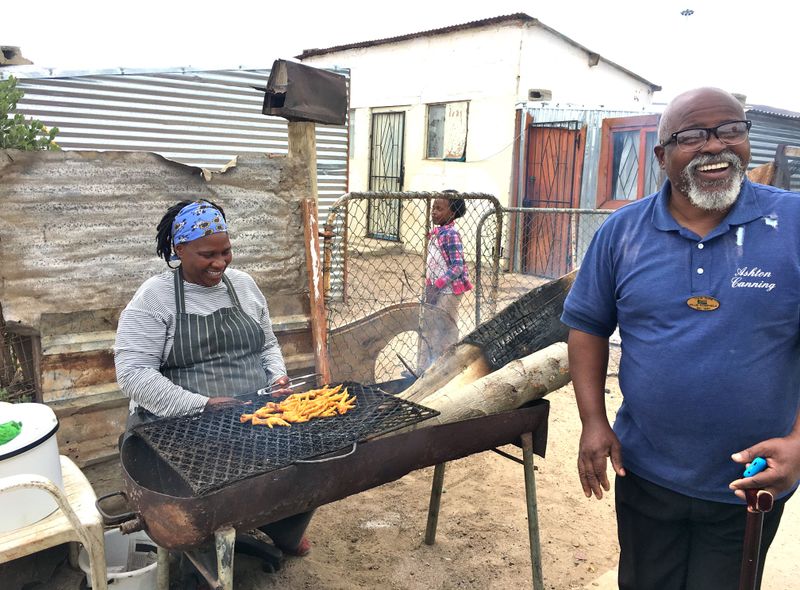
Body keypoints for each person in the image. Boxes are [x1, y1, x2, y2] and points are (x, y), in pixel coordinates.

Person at [561, 87, 800, 589]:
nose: (715, 147)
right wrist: (592, 421)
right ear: (660, 155)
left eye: (731, 130)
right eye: (692, 136)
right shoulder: (622, 233)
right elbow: (587, 326)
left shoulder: (793, 224)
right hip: (645, 473)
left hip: (751, 482)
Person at [114, 199, 312, 558]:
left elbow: (267, 344)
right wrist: (200, 405)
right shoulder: (154, 298)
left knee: (303, 460)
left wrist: (278, 377)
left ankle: (285, 528)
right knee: (206, 494)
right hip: (181, 427)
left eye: (226, 251)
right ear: (179, 249)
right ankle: (204, 551)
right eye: (207, 254)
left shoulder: (245, 286)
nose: (220, 263)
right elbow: (133, 375)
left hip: (255, 413)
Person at [420, 195, 473, 370]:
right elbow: (433, 264)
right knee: (429, 326)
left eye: (439, 209)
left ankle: (445, 368)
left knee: (444, 328)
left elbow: (457, 267)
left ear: (453, 213)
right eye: (433, 208)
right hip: (436, 288)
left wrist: (437, 286)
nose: (434, 212)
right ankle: (425, 368)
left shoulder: (451, 235)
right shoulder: (437, 233)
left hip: (450, 290)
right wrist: (430, 285)